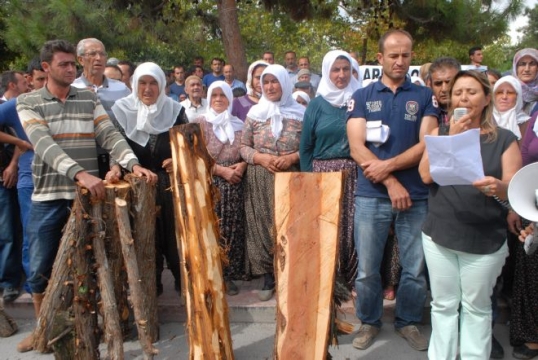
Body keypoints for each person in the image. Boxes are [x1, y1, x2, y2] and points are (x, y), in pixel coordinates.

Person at [15, 39, 156, 353]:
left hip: (88, 196)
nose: (70, 69)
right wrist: (80, 173)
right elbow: (43, 144)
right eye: (63, 64)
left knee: (92, 264)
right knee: (40, 267)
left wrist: (132, 163)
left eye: (71, 64)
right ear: (46, 68)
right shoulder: (29, 102)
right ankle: (43, 330)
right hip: (50, 195)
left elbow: (108, 133)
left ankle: (90, 330)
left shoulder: (87, 99)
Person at [418, 70, 521, 359]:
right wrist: (450, 138)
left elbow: (512, 186)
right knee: (443, 305)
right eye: (458, 92)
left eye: (472, 91)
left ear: (486, 99)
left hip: (484, 238)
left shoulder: (504, 139)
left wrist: (498, 185)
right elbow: (426, 176)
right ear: (450, 100)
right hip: (440, 234)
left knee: (476, 307)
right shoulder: (440, 133)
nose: (464, 97)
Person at [346, 29, 438, 352]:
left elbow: (427, 143)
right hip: (372, 196)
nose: (400, 61)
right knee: (369, 266)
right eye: (394, 55)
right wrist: (389, 179)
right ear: (380, 58)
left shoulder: (425, 96)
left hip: (416, 196)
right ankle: (369, 322)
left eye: (406, 55)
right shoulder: (361, 96)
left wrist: (388, 166)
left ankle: (408, 320)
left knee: (415, 267)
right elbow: (357, 147)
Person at [112, 62, 187, 297]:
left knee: (176, 235)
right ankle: (150, 283)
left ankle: (181, 280)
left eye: (153, 83)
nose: (147, 88)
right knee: (145, 238)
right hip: (137, 184)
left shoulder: (175, 110)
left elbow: (187, 145)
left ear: (162, 85)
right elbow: (115, 145)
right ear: (134, 85)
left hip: (170, 183)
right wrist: (119, 167)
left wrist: (178, 160)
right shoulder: (121, 109)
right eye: (142, 83)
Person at [240, 64, 305, 301]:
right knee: (264, 224)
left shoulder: (300, 113)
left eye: (274, 81)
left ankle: (290, 273)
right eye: (265, 82)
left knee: (290, 224)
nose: (269, 87)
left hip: (292, 176)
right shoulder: (255, 114)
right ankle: (269, 275)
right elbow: (243, 146)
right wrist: (260, 157)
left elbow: (308, 146)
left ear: (284, 83)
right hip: (261, 177)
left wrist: (291, 158)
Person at [300, 50, 360, 289]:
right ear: (326, 72)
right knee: (326, 226)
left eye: (346, 69)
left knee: (353, 226)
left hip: (355, 173)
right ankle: (329, 279)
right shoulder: (316, 105)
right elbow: (305, 148)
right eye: (336, 69)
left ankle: (353, 278)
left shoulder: (361, 100)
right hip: (322, 173)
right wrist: (308, 182)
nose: (341, 74)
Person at [193, 81, 247, 295]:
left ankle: (231, 272)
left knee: (233, 228)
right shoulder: (199, 123)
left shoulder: (239, 124)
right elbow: (195, 155)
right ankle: (215, 273)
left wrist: (242, 166)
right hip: (210, 183)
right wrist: (221, 171)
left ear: (229, 99)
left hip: (236, 184)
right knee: (214, 228)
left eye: (222, 95)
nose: (217, 99)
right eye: (214, 95)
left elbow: (246, 150)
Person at [73, 38, 131, 179]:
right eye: (92, 54)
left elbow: (129, 123)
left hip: (115, 157)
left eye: (102, 54)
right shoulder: (72, 88)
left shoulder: (121, 89)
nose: (98, 58)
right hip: (83, 159)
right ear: (80, 60)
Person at [509, 110, 538, 359]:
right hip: (534, 204)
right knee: (532, 270)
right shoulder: (535, 115)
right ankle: (531, 334)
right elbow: (525, 157)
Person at [429, 57, 461, 133]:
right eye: (438, 83)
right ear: (430, 85)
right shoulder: (424, 112)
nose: (444, 89)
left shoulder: (472, 110)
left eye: (449, 82)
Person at [492, 75, 530, 140]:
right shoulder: (484, 120)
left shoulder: (528, 124)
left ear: (518, 97)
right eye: (499, 92)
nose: (504, 97)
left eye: (510, 93)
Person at [512, 48, 538, 116]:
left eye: (532, 64)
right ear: (516, 68)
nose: (527, 69)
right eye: (522, 64)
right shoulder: (507, 91)